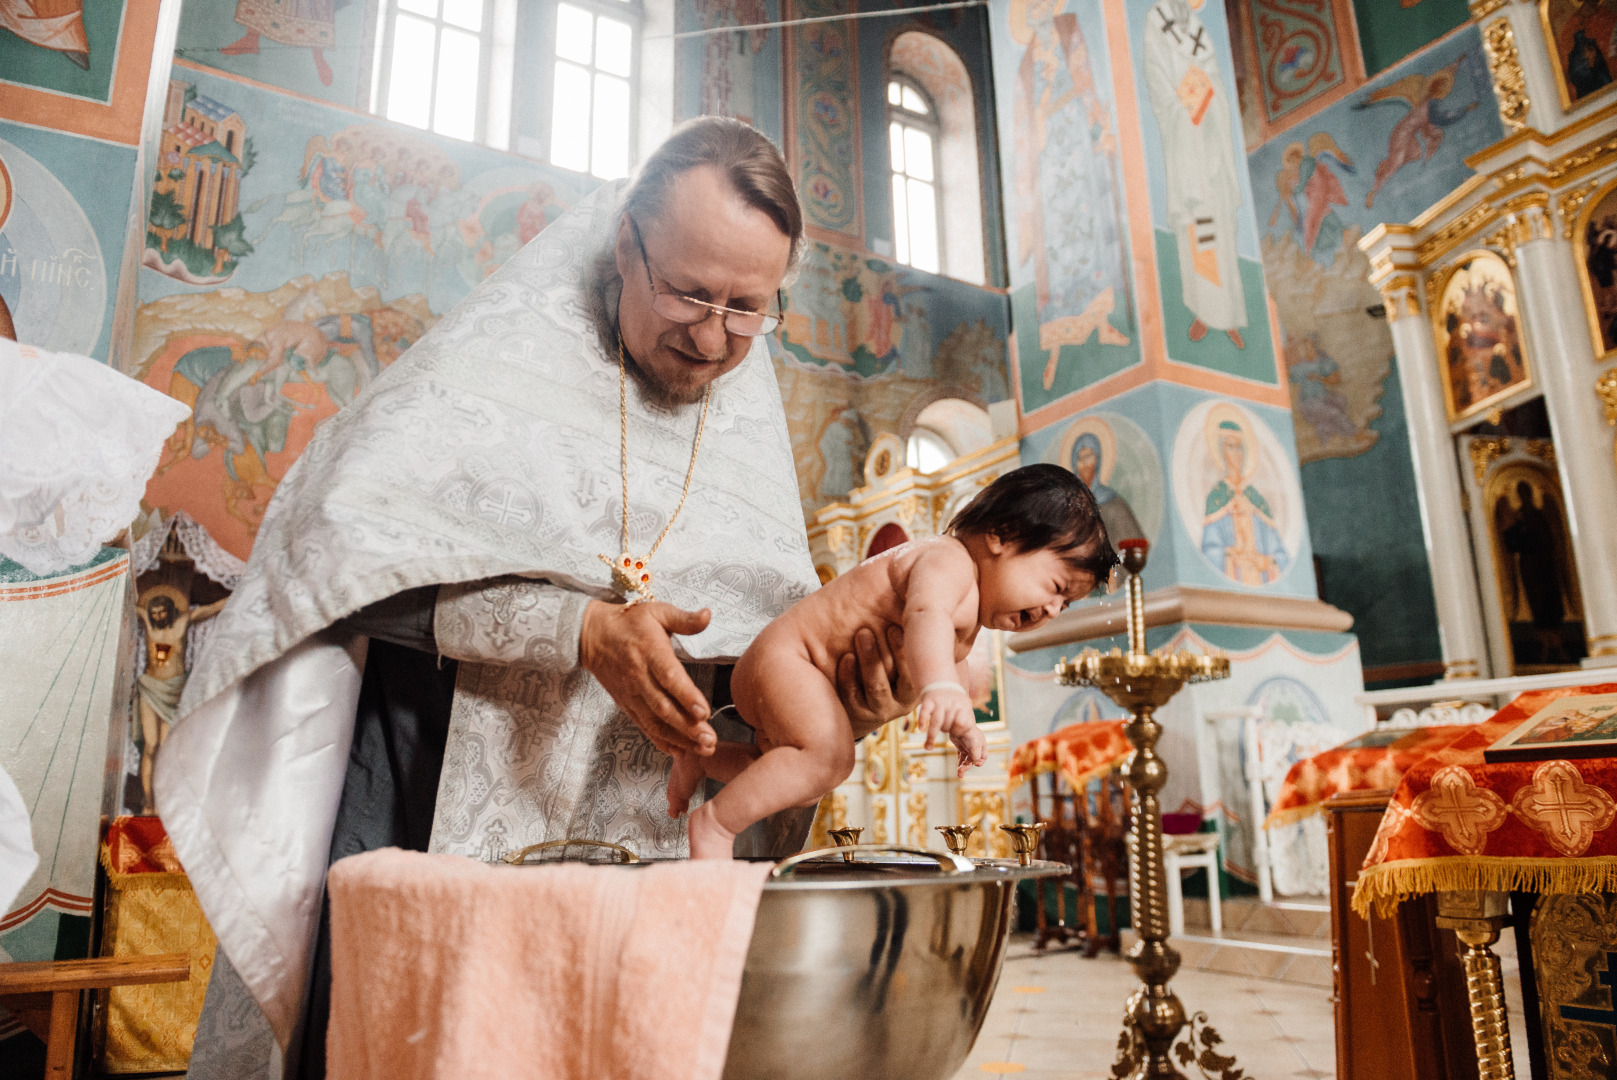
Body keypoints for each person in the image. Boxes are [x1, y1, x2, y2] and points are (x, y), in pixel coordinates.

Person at [158, 117, 911, 1079]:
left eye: (748, 308)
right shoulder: (489, 366)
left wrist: (843, 702)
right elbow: (331, 565)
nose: (716, 336)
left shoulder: (744, 424)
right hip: (442, 808)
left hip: (647, 863)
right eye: (687, 291)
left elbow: (755, 667)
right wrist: (577, 627)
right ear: (625, 241)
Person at [669, 464, 1117, 857]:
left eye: (1068, 605)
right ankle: (715, 824)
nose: (1054, 610)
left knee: (799, 779)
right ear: (1002, 534)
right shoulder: (949, 560)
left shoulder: (970, 616)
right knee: (829, 759)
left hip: (792, 678)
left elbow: (949, 658)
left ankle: (702, 759)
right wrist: (938, 686)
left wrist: (964, 727)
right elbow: (926, 615)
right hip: (787, 660)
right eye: (1057, 588)